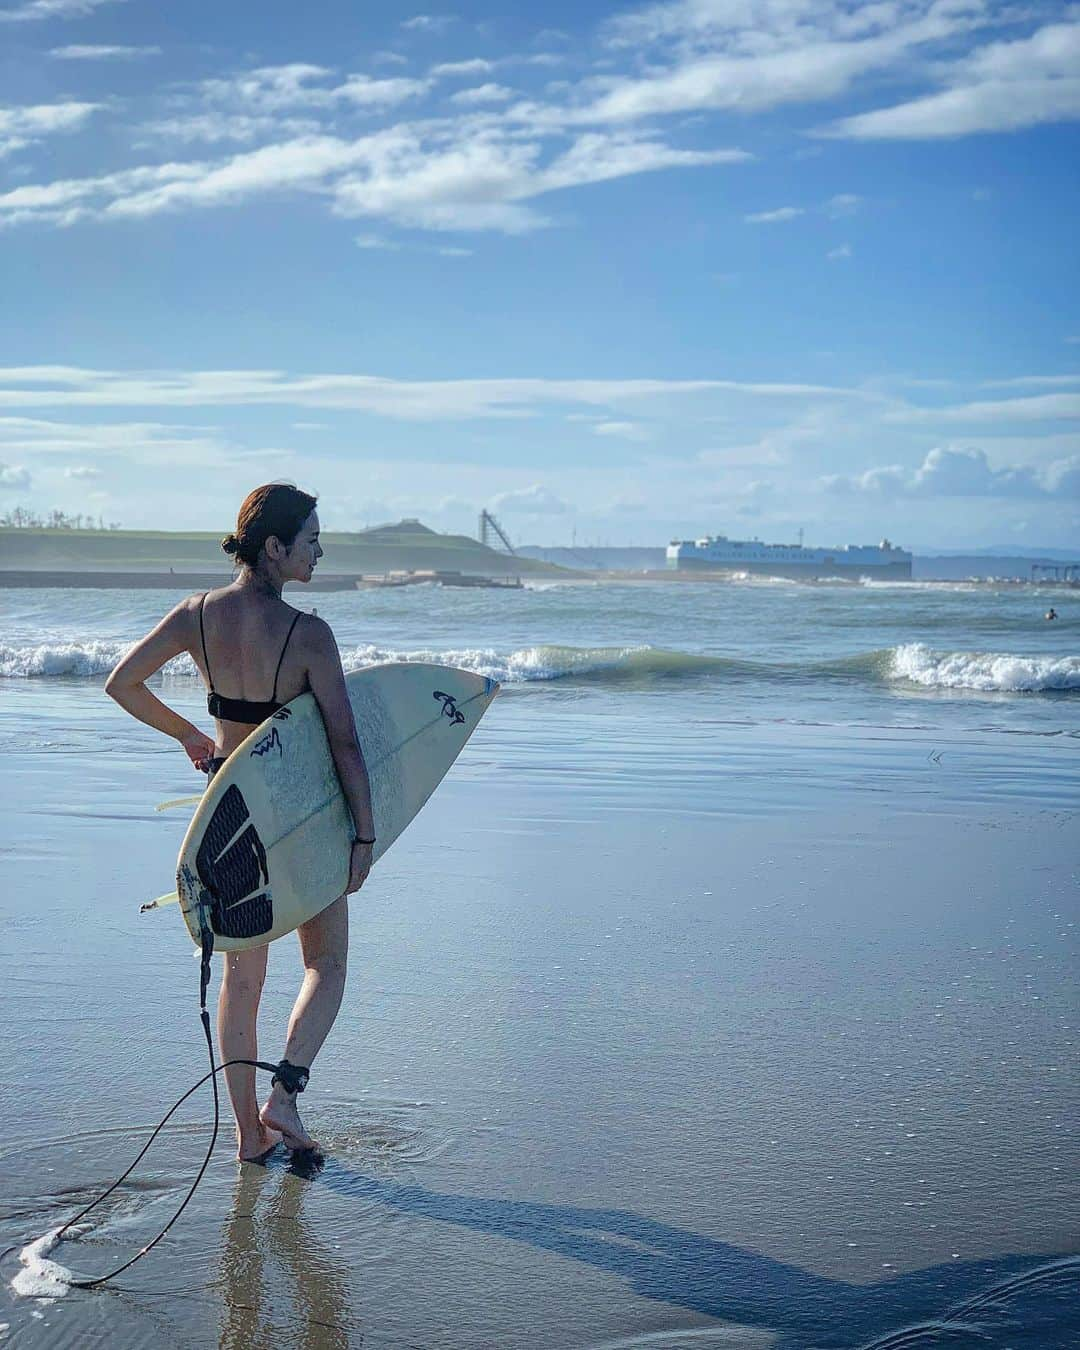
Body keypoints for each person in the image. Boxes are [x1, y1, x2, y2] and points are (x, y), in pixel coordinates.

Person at [105, 484, 375, 1162]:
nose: (320, 550)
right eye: (311, 539)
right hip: (302, 821)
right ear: (276, 547)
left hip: (228, 819)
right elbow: (344, 743)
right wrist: (365, 836)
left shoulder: (195, 615)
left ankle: (247, 1135)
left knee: (241, 981)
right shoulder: (310, 635)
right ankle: (284, 1094)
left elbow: (122, 683)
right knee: (328, 963)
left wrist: (193, 738)